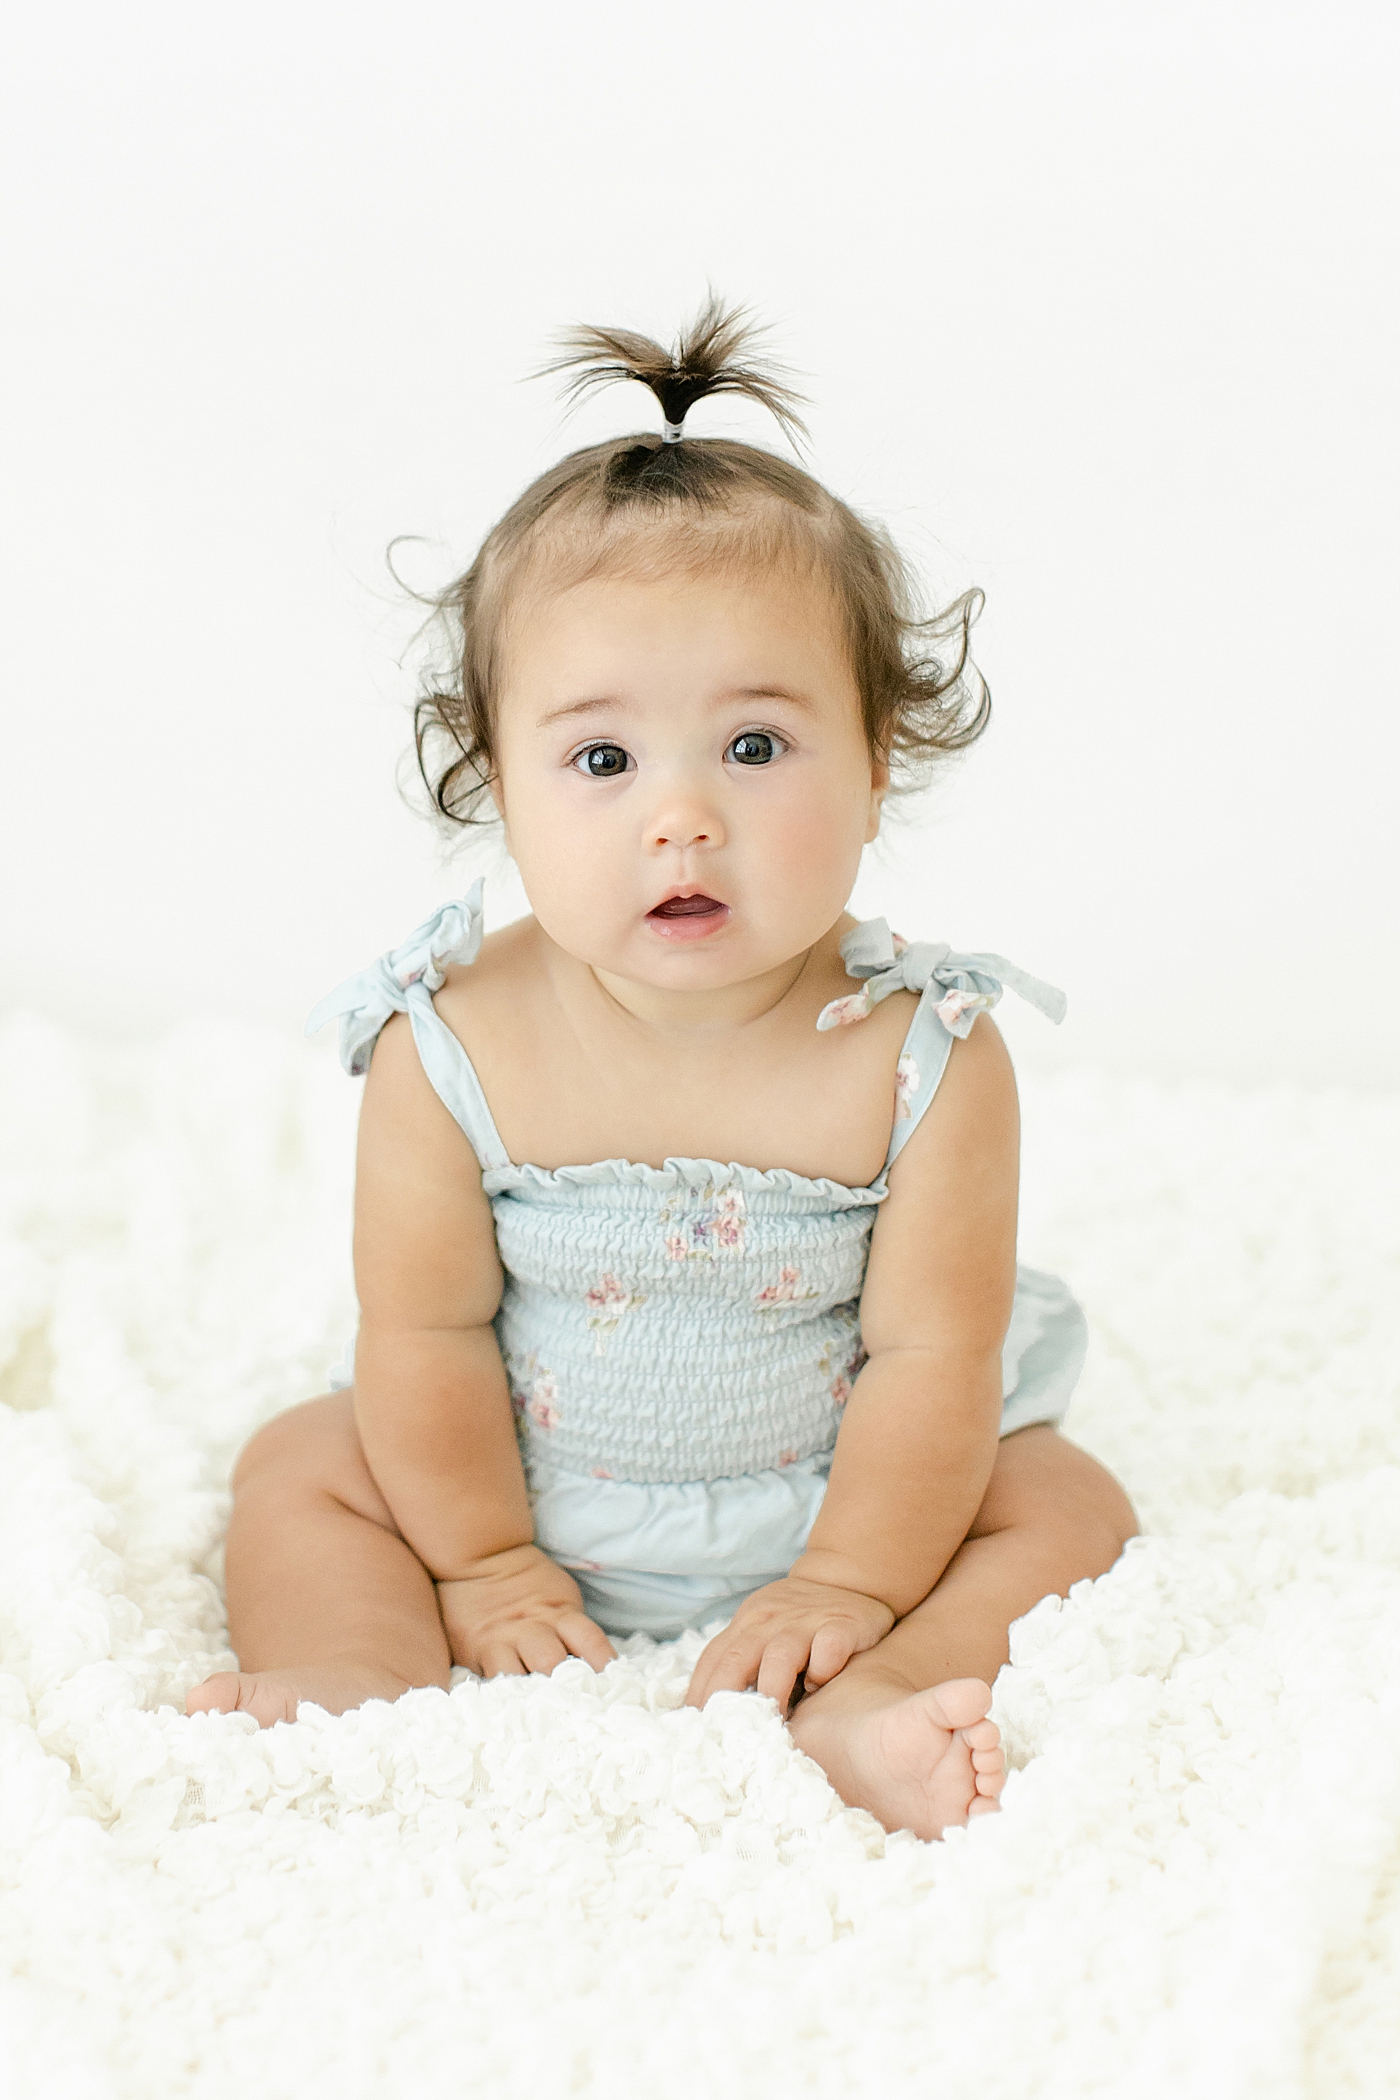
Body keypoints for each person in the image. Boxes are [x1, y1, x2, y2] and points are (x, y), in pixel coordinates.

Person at [188, 297, 1137, 1840]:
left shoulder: (928, 1055)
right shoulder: (446, 1044)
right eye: (604, 760)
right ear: (498, 781)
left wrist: (847, 1582)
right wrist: (487, 1561)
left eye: (756, 747)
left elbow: (935, 1364)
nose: (681, 816)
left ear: (880, 757)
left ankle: (871, 1698)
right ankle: (350, 1668)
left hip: (843, 1491)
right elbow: (425, 1330)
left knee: (1067, 1499)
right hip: (518, 1481)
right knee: (302, 1465)